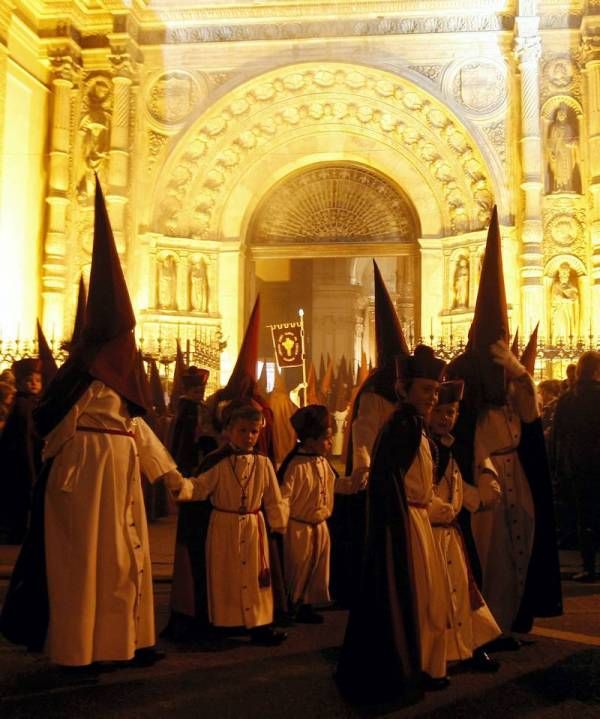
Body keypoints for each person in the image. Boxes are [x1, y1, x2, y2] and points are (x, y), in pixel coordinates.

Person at [0, 177, 179, 668]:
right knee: (84, 561)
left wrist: (167, 473)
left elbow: (135, 425)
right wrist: (60, 471)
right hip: (85, 475)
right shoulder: (80, 378)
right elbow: (52, 427)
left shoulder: (121, 378)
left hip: (116, 470)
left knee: (124, 557)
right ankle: (81, 647)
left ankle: (123, 641)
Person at [448, 207, 562, 640]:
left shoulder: (514, 393)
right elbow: (462, 439)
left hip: (520, 481)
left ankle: (516, 618)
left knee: (522, 550)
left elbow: (531, 416)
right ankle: (488, 626)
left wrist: (519, 373)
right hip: (486, 480)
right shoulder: (470, 395)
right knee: (488, 554)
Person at [337, 344, 449, 704]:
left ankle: (424, 665)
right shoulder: (402, 424)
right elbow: (389, 483)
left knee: (426, 596)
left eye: (435, 390)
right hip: (406, 521)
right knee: (414, 595)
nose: (432, 397)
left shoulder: (412, 423)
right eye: (426, 390)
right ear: (404, 390)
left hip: (415, 517)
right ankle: (408, 668)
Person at [167, 401, 289, 645]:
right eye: (243, 430)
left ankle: (259, 624)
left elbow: (273, 498)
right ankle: (223, 624)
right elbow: (200, 488)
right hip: (223, 527)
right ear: (229, 431)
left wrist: (278, 525)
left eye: (254, 431)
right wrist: (181, 485)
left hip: (254, 526)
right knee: (224, 577)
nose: (249, 436)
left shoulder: (263, 463)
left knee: (256, 578)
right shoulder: (218, 461)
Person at [329, 260, 409, 606]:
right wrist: (362, 467)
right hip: (379, 475)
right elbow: (364, 434)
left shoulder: (406, 394)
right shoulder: (376, 392)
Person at [427, 380, 502, 671]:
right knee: (440, 596)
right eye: (440, 411)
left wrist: (479, 500)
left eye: (452, 412)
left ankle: (471, 645)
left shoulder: (450, 448)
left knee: (463, 591)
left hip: (451, 535)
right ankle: (443, 652)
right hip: (431, 535)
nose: (446, 418)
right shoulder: (422, 448)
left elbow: (458, 484)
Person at [278, 405, 357, 624]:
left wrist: (356, 480)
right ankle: (290, 606)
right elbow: (284, 497)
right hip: (298, 527)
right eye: (326, 438)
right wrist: (280, 524)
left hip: (320, 525)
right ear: (310, 440)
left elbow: (336, 486)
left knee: (316, 569)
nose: (330, 443)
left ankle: (306, 605)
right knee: (296, 567)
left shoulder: (323, 462)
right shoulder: (295, 466)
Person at [550, 351, 600, 582]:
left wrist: (559, 466)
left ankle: (589, 566)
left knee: (584, 518)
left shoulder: (568, 399)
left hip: (577, 466)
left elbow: (557, 436)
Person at [0, 358, 43, 543]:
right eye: (29, 380)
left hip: (25, 459)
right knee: (23, 498)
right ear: (19, 383)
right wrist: (32, 469)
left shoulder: (31, 403)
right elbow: (25, 439)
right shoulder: (24, 406)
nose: (34, 383)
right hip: (23, 461)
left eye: (37, 380)